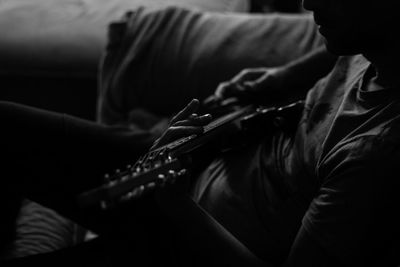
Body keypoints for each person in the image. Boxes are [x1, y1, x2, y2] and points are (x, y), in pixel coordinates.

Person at [2, 0, 400, 266]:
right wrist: (278, 78)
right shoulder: (368, 42)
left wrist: (177, 207)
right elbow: (344, 46)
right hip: (197, 157)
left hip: (189, 235)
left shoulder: (373, 155)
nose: (309, 3)